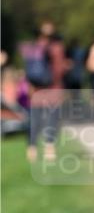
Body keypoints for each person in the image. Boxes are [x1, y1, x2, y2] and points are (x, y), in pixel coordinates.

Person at [20, 22, 68, 163]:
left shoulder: (32, 48)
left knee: (35, 119)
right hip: (53, 88)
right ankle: (49, 148)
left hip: (36, 89)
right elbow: (59, 70)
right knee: (52, 118)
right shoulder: (57, 47)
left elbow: (27, 69)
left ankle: (32, 148)